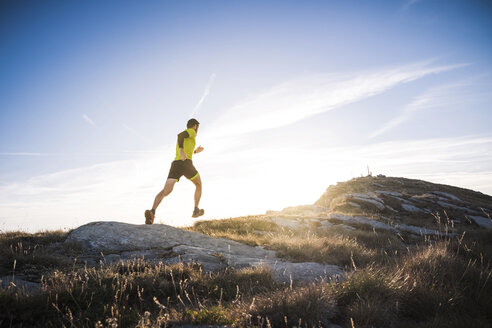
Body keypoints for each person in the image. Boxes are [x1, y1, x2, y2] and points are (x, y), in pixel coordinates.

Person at [145, 118, 205, 224]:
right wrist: (182, 151)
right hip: (186, 163)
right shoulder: (191, 132)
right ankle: (196, 210)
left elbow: (187, 151)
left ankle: (152, 212)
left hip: (176, 164)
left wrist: (196, 151)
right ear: (195, 126)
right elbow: (180, 135)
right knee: (199, 184)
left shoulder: (189, 138)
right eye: (197, 127)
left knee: (166, 191)